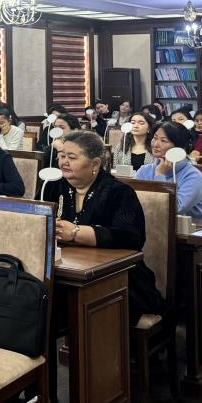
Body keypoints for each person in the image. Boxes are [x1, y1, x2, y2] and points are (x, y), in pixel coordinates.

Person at [42, 131, 164, 325]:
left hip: (116, 276)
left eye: (72, 157)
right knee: (36, 297)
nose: (64, 161)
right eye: (62, 156)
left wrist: (75, 232)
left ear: (95, 164)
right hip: (65, 271)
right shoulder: (53, 186)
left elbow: (131, 237)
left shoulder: (118, 192)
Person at [135, 121, 202, 218]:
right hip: (149, 222)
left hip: (186, 226)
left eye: (163, 141)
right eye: (155, 138)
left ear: (179, 147)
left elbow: (175, 209)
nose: (156, 144)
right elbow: (132, 201)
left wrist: (160, 175)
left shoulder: (194, 176)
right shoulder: (144, 170)